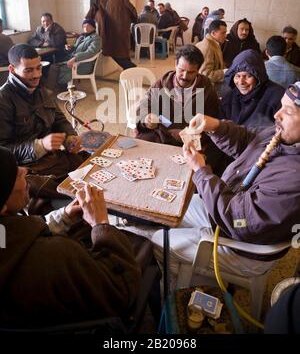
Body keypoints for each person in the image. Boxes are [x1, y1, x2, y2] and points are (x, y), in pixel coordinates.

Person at [150, 81, 300, 280]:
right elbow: (249, 139)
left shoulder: (293, 180)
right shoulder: (286, 137)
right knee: (172, 209)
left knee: (160, 242)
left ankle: (192, 288)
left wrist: (201, 171)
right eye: (281, 106)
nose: (277, 115)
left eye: (288, 112)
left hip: (243, 247)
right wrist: (215, 126)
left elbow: (238, 220)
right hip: (227, 208)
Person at [0, 146, 141, 328]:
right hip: (96, 318)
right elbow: (121, 289)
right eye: (16, 175)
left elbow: (18, 236)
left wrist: (64, 215)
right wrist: (101, 223)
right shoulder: (56, 255)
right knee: (140, 242)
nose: (25, 170)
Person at [0, 44, 87, 214]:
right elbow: (3, 152)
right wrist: (39, 146)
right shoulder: (3, 100)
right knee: (69, 190)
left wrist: (70, 137)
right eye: (29, 70)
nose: (37, 75)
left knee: (91, 168)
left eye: (39, 68)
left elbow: (60, 119)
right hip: (28, 169)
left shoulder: (42, 91)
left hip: (53, 159)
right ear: (12, 69)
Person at [135, 44, 224, 174]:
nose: (184, 76)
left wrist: (191, 133)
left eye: (191, 72)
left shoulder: (206, 88)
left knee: (209, 160)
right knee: (142, 151)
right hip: (163, 134)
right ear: (175, 64)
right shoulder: (162, 84)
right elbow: (144, 105)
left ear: (198, 70)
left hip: (193, 140)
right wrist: (146, 118)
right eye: (181, 70)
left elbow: (214, 118)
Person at [86, 0, 137, 70]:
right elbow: (95, 7)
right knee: (112, 51)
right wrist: (87, 19)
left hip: (119, 30)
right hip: (106, 30)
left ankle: (132, 70)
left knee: (121, 53)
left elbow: (131, 9)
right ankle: (131, 70)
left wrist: (133, 19)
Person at [221, 49, 284, 127]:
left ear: (259, 77)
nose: (241, 82)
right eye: (237, 76)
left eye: (248, 76)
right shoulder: (229, 98)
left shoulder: (278, 97)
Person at [45, 18, 101, 92]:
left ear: (93, 27)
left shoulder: (96, 38)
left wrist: (75, 58)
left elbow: (90, 52)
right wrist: (69, 48)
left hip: (83, 65)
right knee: (53, 65)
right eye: (84, 26)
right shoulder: (81, 37)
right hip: (74, 62)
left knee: (55, 68)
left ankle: (50, 90)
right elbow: (75, 48)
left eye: (88, 26)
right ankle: (59, 87)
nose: (85, 28)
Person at [195, 19, 227, 84]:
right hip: (205, 88)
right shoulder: (207, 48)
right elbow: (206, 75)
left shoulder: (214, 43)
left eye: (225, 32)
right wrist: (224, 72)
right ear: (213, 33)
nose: (225, 35)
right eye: (223, 33)